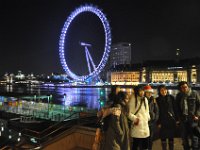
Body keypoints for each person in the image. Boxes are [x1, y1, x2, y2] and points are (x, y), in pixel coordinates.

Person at [175, 81, 200, 150]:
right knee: (184, 137)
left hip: (192, 118)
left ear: (188, 87)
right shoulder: (179, 95)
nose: (184, 89)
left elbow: (199, 105)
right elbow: (177, 108)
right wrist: (178, 118)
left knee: (194, 137)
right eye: (182, 87)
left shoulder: (194, 93)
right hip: (183, 119)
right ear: (180, 88)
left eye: (185, 87)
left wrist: (197, 115)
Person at [128, 85, 150, 150]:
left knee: (145, 145)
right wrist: (135, 119)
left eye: (143, 90)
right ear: (137, 91)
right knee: (135, 144)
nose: (142, 92)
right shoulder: (133, 99)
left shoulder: (145, 99)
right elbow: (128, 113)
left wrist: (147, 118)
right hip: (137, 126)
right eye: (140, 91)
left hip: (145, 126)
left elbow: (147, 111)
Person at [156, 84, 177, 150]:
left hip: (171, 120)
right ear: (159, 91)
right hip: (162, 121)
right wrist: (158, 122)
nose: (163, 91)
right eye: (161, 90)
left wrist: (177, 119)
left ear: (167, 90)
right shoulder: (157, 99)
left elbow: (175, 109)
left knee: (171, 137)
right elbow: (157, 112)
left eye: (165, 90)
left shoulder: (171, 98)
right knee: (163, 138)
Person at [144, 84, 159, 150]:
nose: (150, 94)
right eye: (148, 92)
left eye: (150, 93)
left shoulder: (153, 100)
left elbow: (157, 110)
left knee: (150, 138)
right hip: (144, 122)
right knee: (144, 138)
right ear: (145, 93)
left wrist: (155, 118)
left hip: (152, 122)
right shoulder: (142, 100)